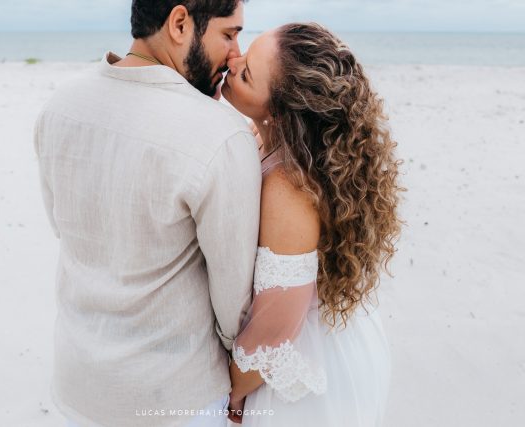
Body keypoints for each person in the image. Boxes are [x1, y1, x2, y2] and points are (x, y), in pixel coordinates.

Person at [33, 1, 261, 426]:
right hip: (175, 399)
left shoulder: (60, 105)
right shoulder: (219, 134)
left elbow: (62, 229)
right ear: (180, 23)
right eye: (229, 34)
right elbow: (236, 306)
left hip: (78, 386)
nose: (235, 55)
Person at [221, 23, 403, 426]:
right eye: (244, 52)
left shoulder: (290, 186)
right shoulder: (271, 137)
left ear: (279, 112)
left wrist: (229, 397)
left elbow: (275, 329)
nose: (232, 62)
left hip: (301, 373)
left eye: (246, 73)